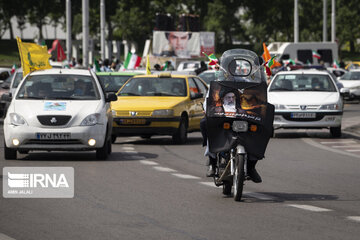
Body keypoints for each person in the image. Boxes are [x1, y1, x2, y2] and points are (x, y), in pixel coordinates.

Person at [201, 50, 264, 183]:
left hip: (241, 116)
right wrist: (207, 110)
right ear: (224, 67)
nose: (231, 70)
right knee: (205, 123)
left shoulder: (242, 82)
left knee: (263, 129)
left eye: (233, 67)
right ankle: (212, 162)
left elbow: (255, 91)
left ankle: (252, 166)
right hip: (221, 116)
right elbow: (209, 100)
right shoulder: (216, 83)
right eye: (229, 67)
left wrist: (260, 74)